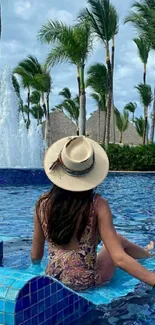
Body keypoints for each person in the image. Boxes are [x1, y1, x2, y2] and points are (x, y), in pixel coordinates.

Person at [31, 136, 155, 291]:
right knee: (117, 240)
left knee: (117, 239)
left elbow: (36, 256)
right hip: (85, 283)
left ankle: (147, 252)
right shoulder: (97, 205)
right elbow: (119, 259)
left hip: (53, 278)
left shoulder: (42, 203)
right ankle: (149, 256)